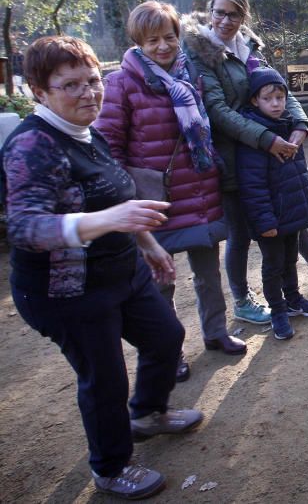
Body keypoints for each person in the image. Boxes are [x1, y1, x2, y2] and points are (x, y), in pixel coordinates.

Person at [1, 36, 202, 500]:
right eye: (70, 85)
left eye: (93, 81)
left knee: (166, 337)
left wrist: (147, 243)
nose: (88, 93)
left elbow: (116, 195)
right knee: (105, 377)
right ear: (39, 90)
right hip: (66, 291)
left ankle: (149, 413)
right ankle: (110, 467)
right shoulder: (33, 144)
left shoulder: (88, 131)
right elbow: (25, 226)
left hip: (121, 270)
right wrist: (109, 221)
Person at [182, 0, 308, 327]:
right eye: (220, 12)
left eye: (234, 14)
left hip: (270, 147)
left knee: (289, 213)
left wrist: (300, 125)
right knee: (239, 232)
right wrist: (267, 139)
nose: (226, 20)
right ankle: (242, 300)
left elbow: (278, 86)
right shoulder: (200, 52)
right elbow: (217, 109)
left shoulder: (248, 47)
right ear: (210, 11)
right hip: (234, 156)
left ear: (243, 16)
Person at [95, 1, 247, 384]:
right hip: (155, 197)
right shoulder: (121, 83)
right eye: (152, 40)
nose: (162, 46)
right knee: (161, 279)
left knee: (208, 272)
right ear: (138, 42)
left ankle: (215, 332)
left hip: (198, 188)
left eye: (168, 37)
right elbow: (108, 143)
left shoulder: (189, 73)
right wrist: (123, 193)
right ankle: (169, 349)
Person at [237, 68, 308, 340]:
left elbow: (301, 170)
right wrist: (265, 222)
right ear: (255, 101)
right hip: (271, 219)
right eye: (268, 99)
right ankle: (277, 310)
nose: (276, 104)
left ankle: (294, 299)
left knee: (289, 259)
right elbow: (252, 186)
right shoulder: (255, 138)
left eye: (280, 97)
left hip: (292, 212)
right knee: (273, 264)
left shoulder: (290, 128)